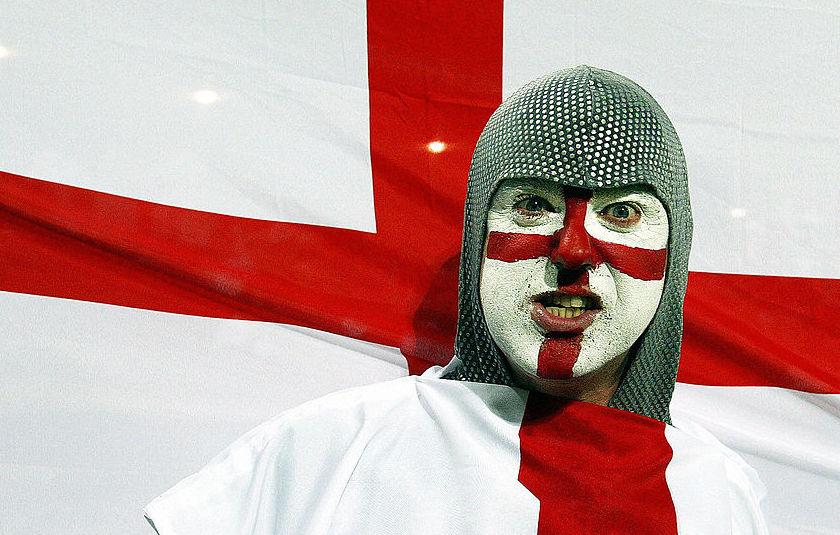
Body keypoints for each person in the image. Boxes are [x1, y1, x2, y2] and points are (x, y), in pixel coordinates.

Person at [145, 66, 768, 534]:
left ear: (675, 251)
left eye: (622, 213)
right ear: (475, 239)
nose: (573, 249)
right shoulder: (323, 456)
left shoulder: (717, 493)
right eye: (533, 205)